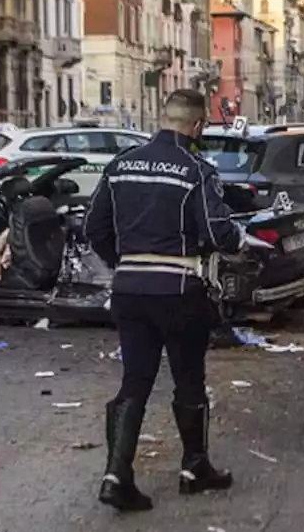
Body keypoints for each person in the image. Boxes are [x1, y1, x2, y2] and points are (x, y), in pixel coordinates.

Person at [85, 89, 245, 513]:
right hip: (179, 292)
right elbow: (217, 233)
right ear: (195, 126)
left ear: (163, 118)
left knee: (135, 380)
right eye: (204, 126)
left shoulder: (120, 165)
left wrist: (125, 260)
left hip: (129, 290)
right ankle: (195, 467)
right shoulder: (197, 170)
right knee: (188, 378)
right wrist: (237, 239)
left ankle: (116, 476)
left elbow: (93, 226)